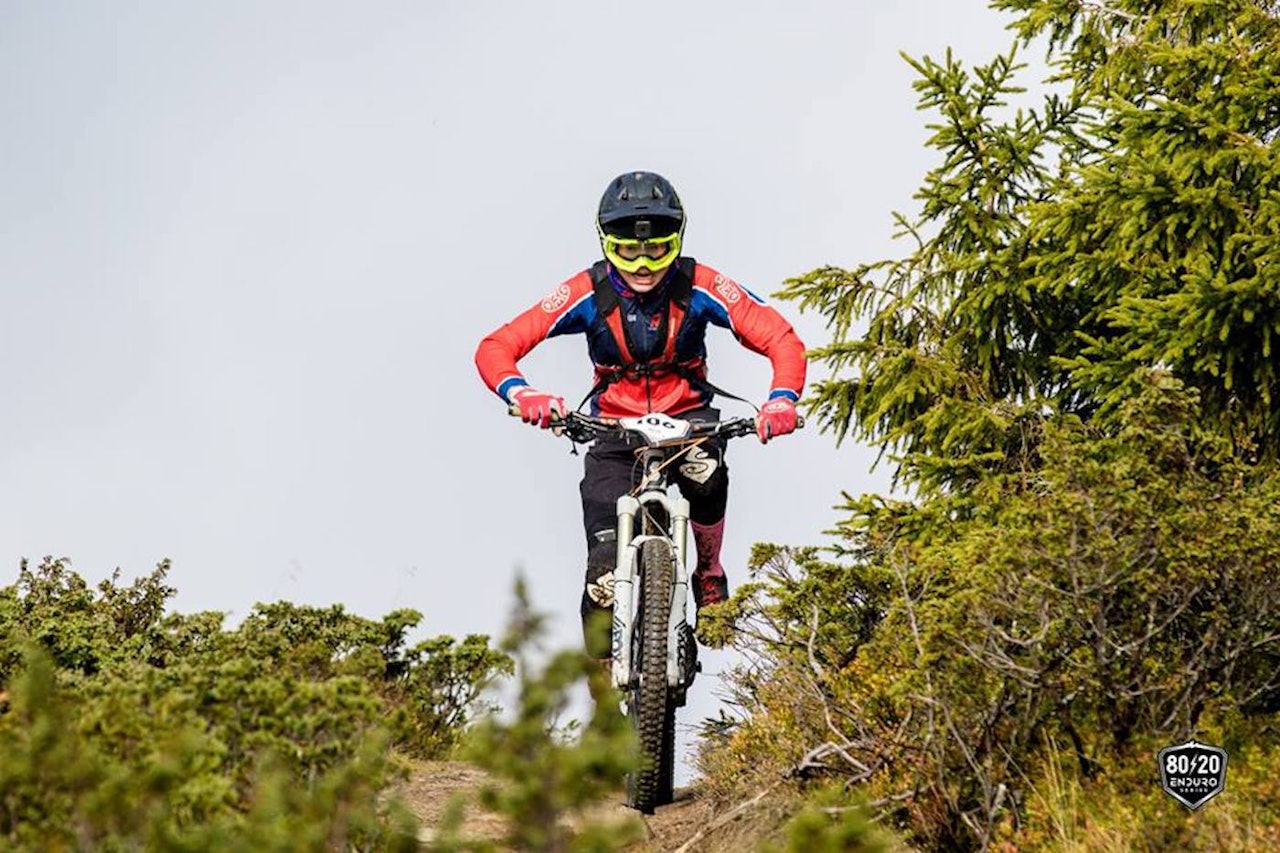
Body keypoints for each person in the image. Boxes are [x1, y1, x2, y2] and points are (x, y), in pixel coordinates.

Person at [474, 170, 807, 664]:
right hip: (613, 430)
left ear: (679, 240)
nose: (645, 263)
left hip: (689, 421)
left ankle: (709, 572)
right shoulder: (585, 292)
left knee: (707, 473)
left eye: (658, 248)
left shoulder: (701, 284)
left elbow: (779, 336)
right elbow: (497, 346)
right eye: (628, 250)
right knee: (603, 574)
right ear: (606, 242)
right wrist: (524, 394)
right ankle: (601, 691)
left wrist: (781, 398)